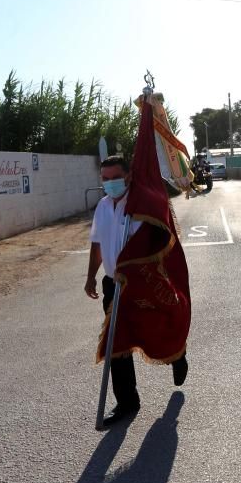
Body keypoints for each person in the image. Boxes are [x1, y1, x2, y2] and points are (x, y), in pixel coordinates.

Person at [85, 155, 189, 427]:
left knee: (154, 328)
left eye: (115, 178)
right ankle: (128, 401)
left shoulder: (142, 207)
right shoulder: (102, 207)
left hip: (143, 282)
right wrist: (90, 278)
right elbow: (97, 244)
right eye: (105, 179)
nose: (109, 184)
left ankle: (176, 354)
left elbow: (156, 248)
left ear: (129, 176)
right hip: (113, 284)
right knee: (116, 343)